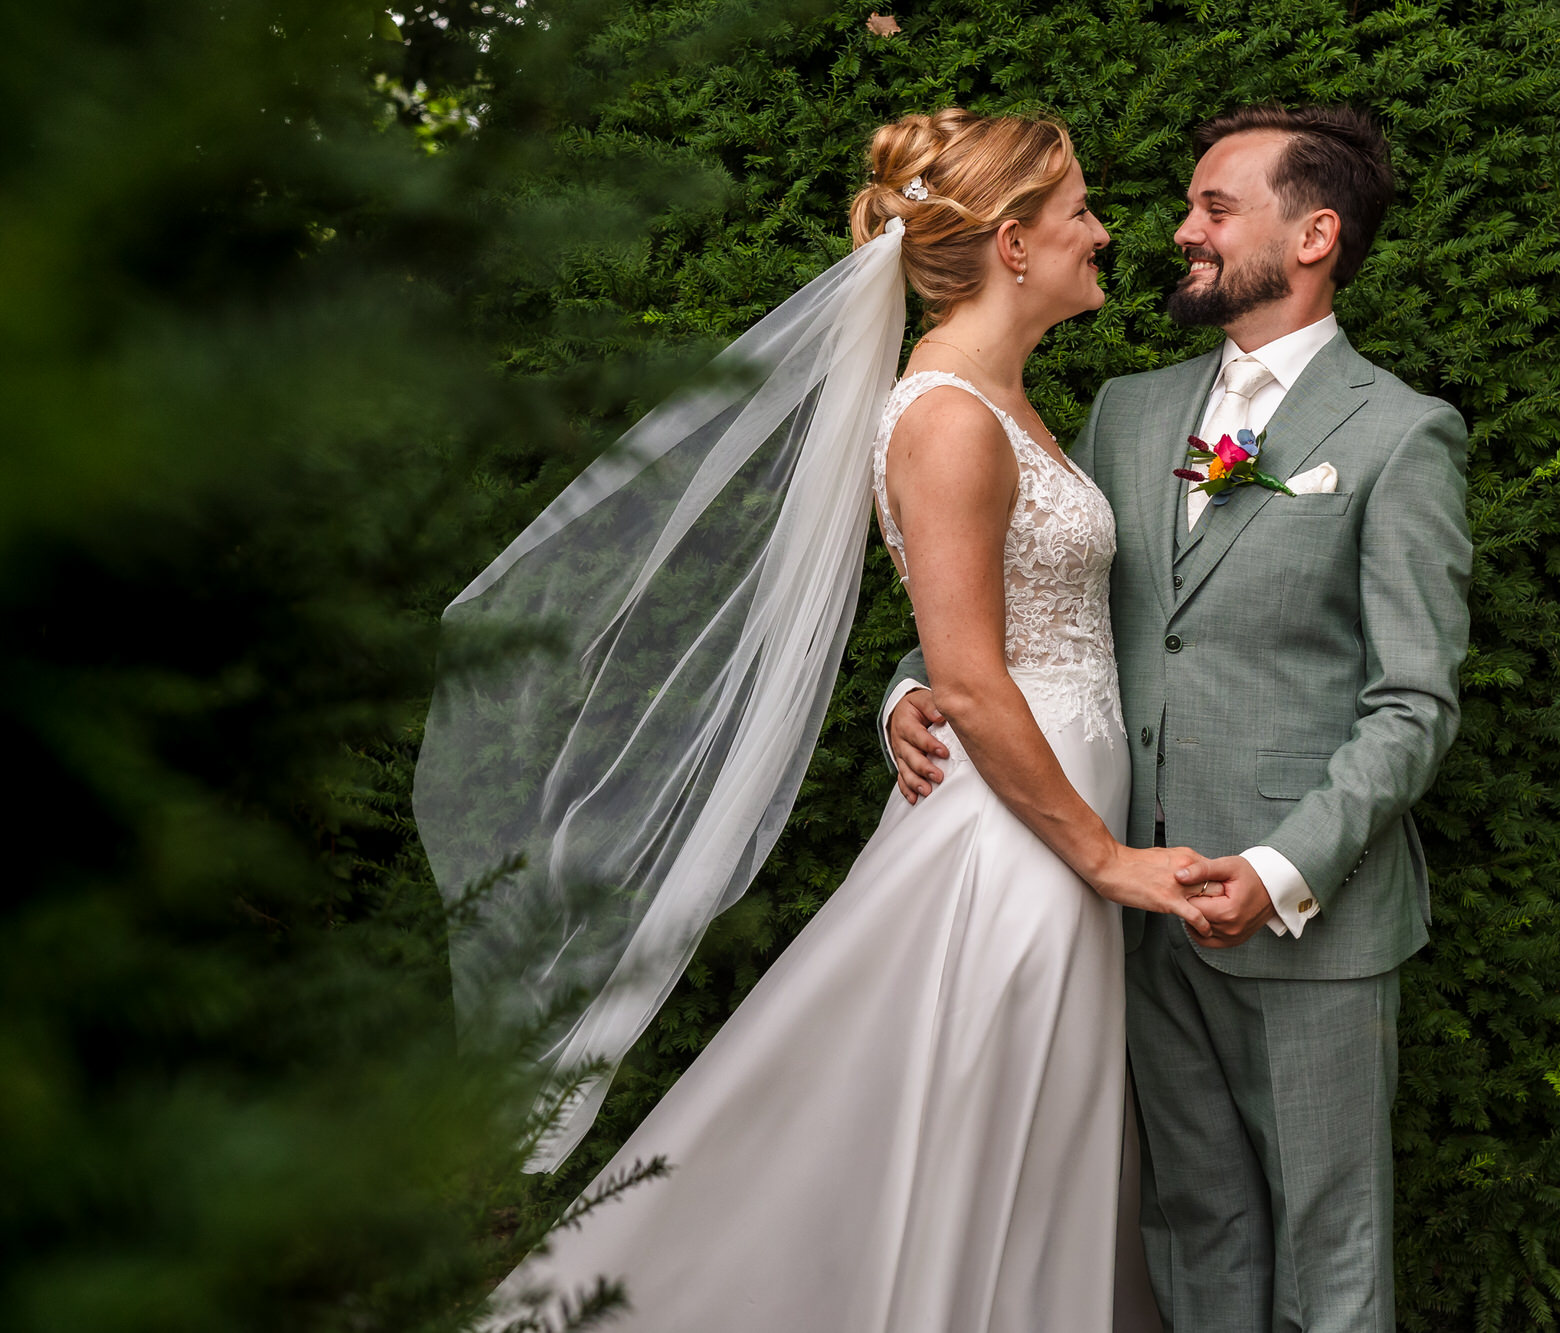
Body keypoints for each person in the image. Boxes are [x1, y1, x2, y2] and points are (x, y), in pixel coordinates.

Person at [420, 107, 1207, 1332]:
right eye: (1077, 214)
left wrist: (922, 706)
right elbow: (974, 677)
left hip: (1041, 826)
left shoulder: (1001, 401)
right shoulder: (947, 415)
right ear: (1011, 244)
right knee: (963, 1129)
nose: (1102, 233)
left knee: (1015, 1143)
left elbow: (978, 640)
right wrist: (1104, 858)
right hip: (1015, 844)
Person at [885, 104, 1471, 1333]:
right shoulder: (1129, 411)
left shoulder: (1399, 433)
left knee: (1332, 1247)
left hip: (1309, 918)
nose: (1176, 231)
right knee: (1189, 1227)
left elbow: (1411, 702)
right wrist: (908, 689)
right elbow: (1015, 606)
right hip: (1130, 902)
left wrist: (1277, 867)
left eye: (1214, 209)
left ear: (1312, 234)